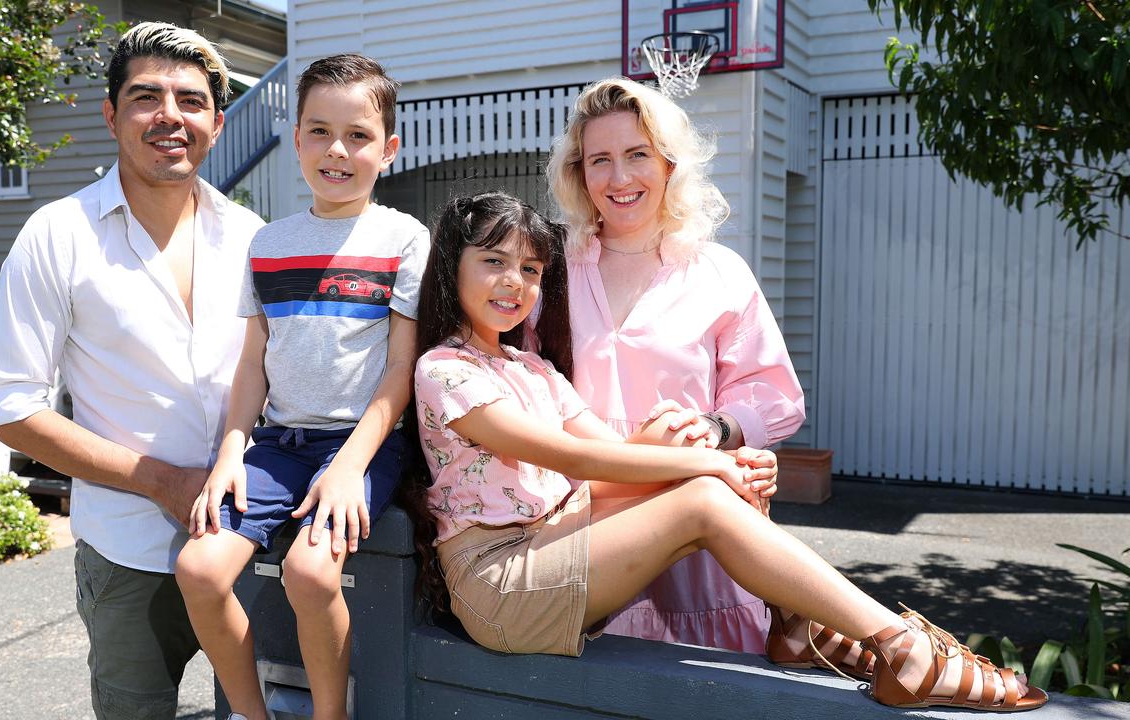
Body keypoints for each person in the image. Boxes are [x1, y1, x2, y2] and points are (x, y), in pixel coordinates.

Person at [409, 191, 1047, 712]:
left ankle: (798, 627)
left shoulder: (534, 369)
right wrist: (713, 465)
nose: (513, 283)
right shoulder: (445, 370)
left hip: (552, 539)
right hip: (501, 582)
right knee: (703, 498)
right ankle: (901, 645)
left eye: (529, 269)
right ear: (452, 268)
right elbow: (580, 463)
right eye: (493, 262)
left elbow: (619, 453)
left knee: (674, 444)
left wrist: (714, 449)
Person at [0, 23, 265, 719]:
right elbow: (13, 408)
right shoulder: (59, 234)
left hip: (249, 538)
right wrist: (165, 484)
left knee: (272, 707)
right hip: (126, 550)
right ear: (111, 115)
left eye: (192, 101)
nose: (171, 115)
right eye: (146, 96)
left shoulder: (254, 237)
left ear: (217, 123)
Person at [173, 54, 429, 720]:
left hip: (363, 444)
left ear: (390, 149)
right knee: (198, 571)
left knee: (310, 572)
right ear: (296, 141)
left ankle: (328, 715)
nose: (336, 150)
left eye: (358, 135)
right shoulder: (268, 243)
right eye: (318, 131)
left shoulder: (403, 238)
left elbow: (401, 371)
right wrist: (231, 451)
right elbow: (254, 361)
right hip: (278, 445)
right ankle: (251, 714)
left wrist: (348, 469)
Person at [546, 76, 805, 653]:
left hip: (694, 515)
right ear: (578, 174)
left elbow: (773, 394)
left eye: (637, 155)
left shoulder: (718, 271)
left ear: (668, 165)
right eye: (600, 160)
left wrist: (720, 431)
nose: (619, 178)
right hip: (584, 513)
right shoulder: (548, 271)